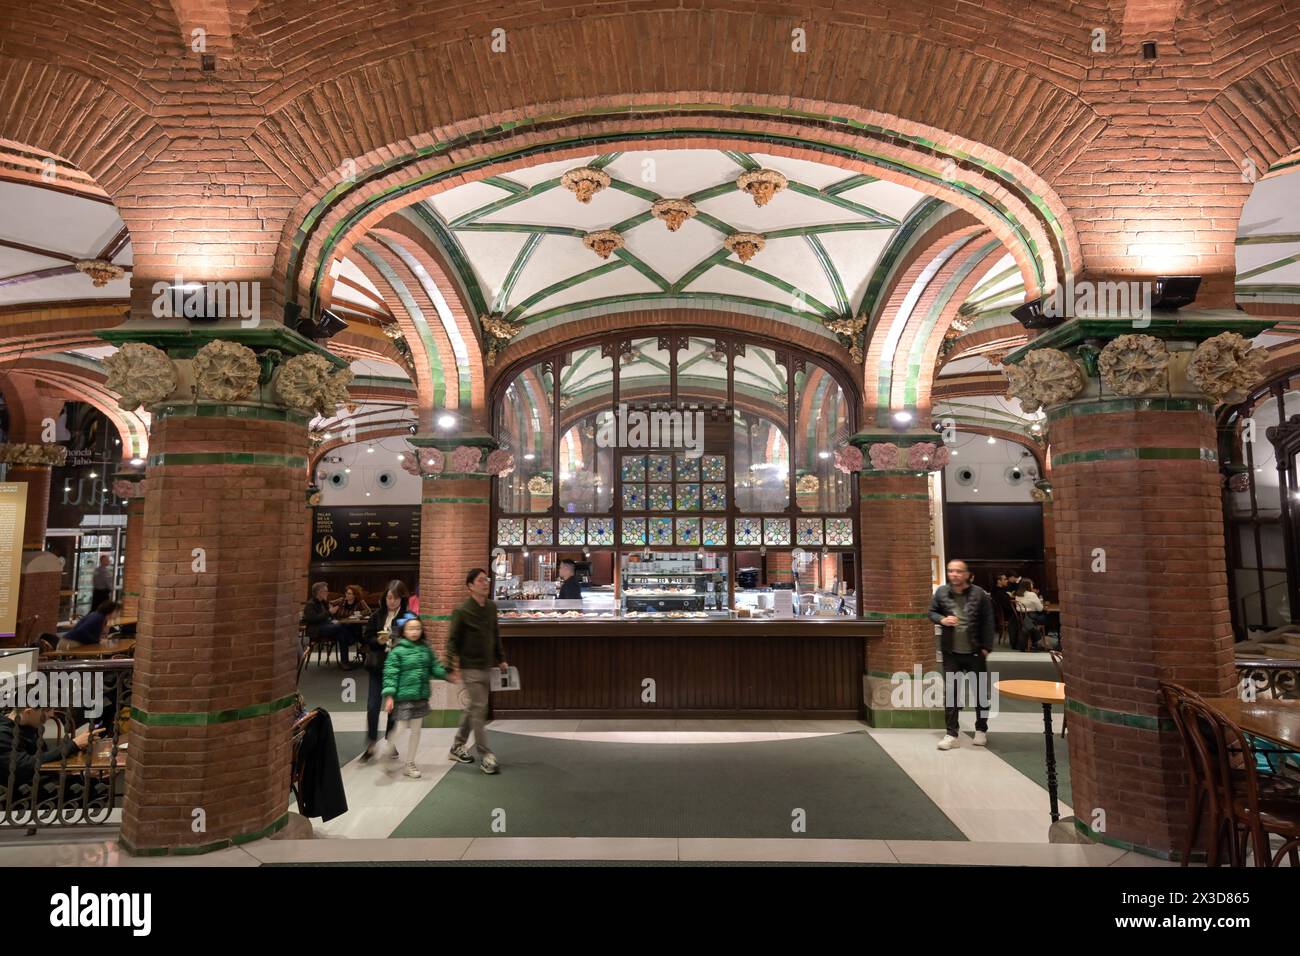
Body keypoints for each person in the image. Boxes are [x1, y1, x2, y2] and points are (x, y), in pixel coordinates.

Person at [446, 567, 509, 774]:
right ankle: (486, 755)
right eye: (481, 580)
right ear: (470, 586)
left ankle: (457, 746)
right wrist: (451, 667)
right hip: (469, 667)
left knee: (474, 707)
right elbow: (452, 640)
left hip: (486, 665)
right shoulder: (462, 610)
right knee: (480, 709)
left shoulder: (491, 607)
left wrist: (501, 659)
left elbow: (495, 633)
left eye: (487, 579)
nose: (486, 583)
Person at [929, 560, 996, 751]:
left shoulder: (978, 594)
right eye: (951, 571)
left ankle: (981, 730)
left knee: (980, 692)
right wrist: (942, 619)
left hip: (975, 652)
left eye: (958, 571)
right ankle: (951, 734)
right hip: (951, 653)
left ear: (967, 574)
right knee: (951, 693)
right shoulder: (941, 592)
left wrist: (986, 647)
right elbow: (931, 612)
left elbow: (988, 621)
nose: (954, 574)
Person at [382, 614, 448, 779]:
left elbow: (435, 667)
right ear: (404, 631)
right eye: (411, 628)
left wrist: (448, 675)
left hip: (420, 696)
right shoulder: (397, 651)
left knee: (417, 731)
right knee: (401, 728)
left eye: (418, 628)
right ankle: (388, 750)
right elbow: (390, 674)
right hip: (403, 697)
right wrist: (389, 696)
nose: (415, 632)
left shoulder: (426, 649)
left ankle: (409, 763)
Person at [0, 695, 97, 803]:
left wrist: (75, 770)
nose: (51, 714)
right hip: (20, 795)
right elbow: (25, 765)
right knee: (88, 789)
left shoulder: (29, 726)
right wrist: (73, 745)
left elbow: (44, 757)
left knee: (92, 782)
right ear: (28, 712)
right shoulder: (3, 733)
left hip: (39, 782)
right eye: (46, 710)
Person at [358, 580, 409, 762]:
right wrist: (377, 641)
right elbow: (366, 637)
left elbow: (415, 638)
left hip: (396, 669)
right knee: (372, 706)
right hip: (377, 666)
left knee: (392, 708)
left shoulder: (407, 618)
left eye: (395, 598)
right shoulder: (377, 615)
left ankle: (390, 741)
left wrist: (400, 641)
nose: (391, 602)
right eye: (389, 598)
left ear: (402, 599)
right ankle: (371, 744)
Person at [302, 582, 354, 669]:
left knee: (341, 633)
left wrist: (332, 618)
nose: (328, 593)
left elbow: (329, 616)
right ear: (319, 592)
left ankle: (344, 663)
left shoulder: (323, 602)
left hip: (327, 626)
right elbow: (313, 619)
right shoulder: (310, 604)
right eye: (326, 591)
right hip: (317, 629)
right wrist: (329, 612)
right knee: (341, 626)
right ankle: (352, 640)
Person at [1015, 579, 1046, 651]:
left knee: (1028, 624)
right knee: (1047, 618)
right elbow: (1040, 609)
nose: (1032, 586)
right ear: (1028, 585)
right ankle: (1038, 642)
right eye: (1031, 584)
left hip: (1021, 617)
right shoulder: (1032, 594)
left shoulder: (1018, 594)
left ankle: (1033, 643)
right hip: (1032, 617)